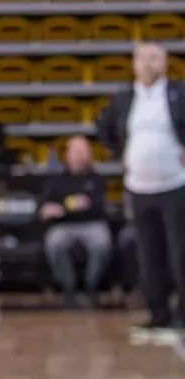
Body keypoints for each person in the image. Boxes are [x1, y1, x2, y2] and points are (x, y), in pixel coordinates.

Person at [96, 41, 185, 343]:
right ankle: (158, 314)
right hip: (139, 187)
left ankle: (182, 316)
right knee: (149, 255)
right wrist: (118, 153)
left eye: (154, 58)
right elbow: (103, 127)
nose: (148, 64)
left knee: (180, 253)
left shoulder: (178, 92)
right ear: (134, 64)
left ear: (165, 63)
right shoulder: (123, 98)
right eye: (143, 58)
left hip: (175, 184)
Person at [38, 134, 111, 309]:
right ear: (68, 156)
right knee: (54, 242)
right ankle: (68, 287)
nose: (80, 156)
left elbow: (98, 206)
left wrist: (81, 206)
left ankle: (90, 287)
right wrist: (51, 210)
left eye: (84, 152)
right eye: (76, 152)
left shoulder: (97, 179)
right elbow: (43, 207)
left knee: (102, 243)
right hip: (64, 225)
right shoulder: (56, 181)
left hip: (92, 223)